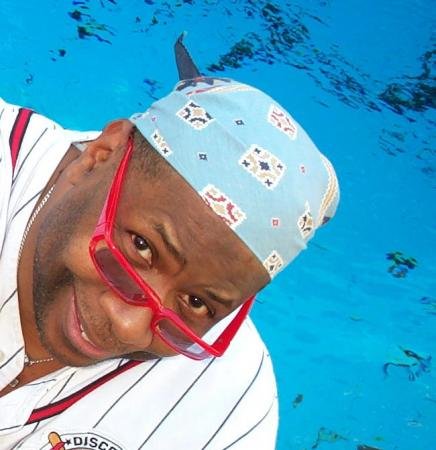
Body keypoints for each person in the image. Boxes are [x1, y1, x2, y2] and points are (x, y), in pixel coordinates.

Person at [0, 38, 339, 449]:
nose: (129, 326)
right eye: (142, 247)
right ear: (101, 156)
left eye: (197, 303)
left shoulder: (228, 410)